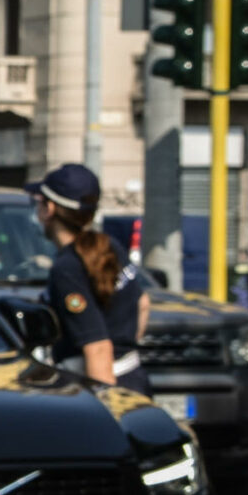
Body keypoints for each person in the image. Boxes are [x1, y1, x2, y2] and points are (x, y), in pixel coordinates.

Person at [32, 163, 153, 394]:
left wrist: (105, 407)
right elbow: (143, 304)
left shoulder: (67, 268)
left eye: (38, 203)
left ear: (49, 208)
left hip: (102, 384)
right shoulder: (109, 246)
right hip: (133, 378)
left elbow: (97, 348)